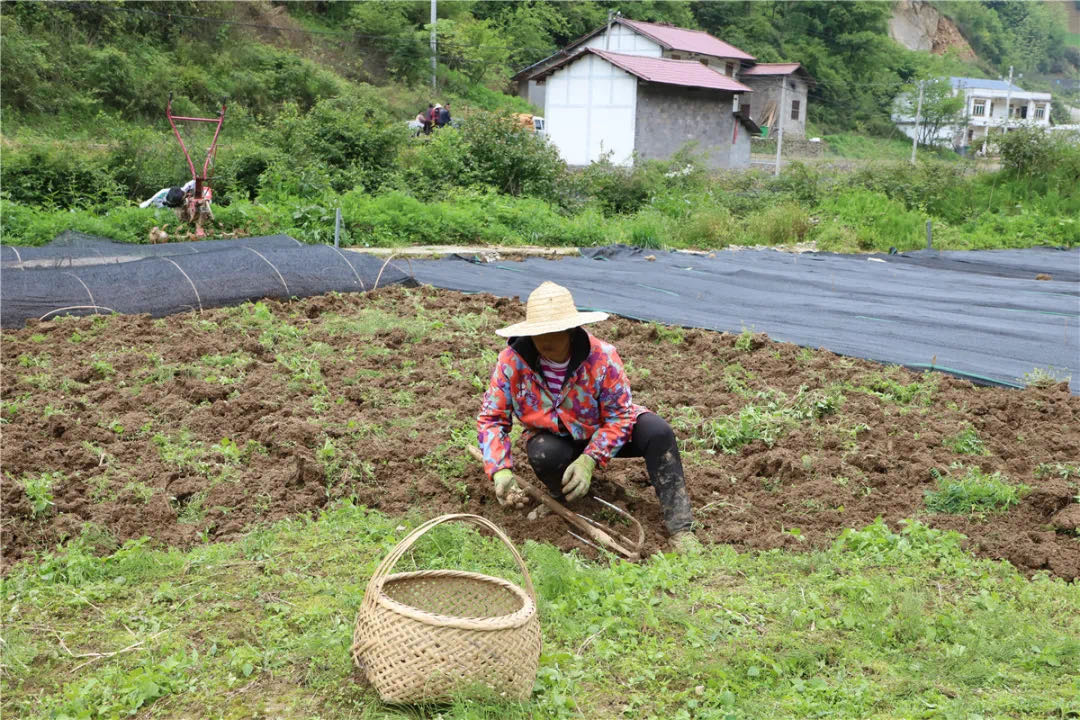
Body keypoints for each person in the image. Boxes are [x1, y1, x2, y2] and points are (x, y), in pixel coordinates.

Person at [476, 281, 700, 552]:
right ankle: (567, 498)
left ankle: (680, 527)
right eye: (540, 332)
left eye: (555, 331)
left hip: (601, 429)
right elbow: (492, 418)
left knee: (658, 432)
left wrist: (590, 459)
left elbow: (620, 416)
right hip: (555, 437)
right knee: (545, 453)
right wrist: (499, 469)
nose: (546, 340)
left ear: (571, 329)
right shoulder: (512, 362)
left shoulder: (602, 357)